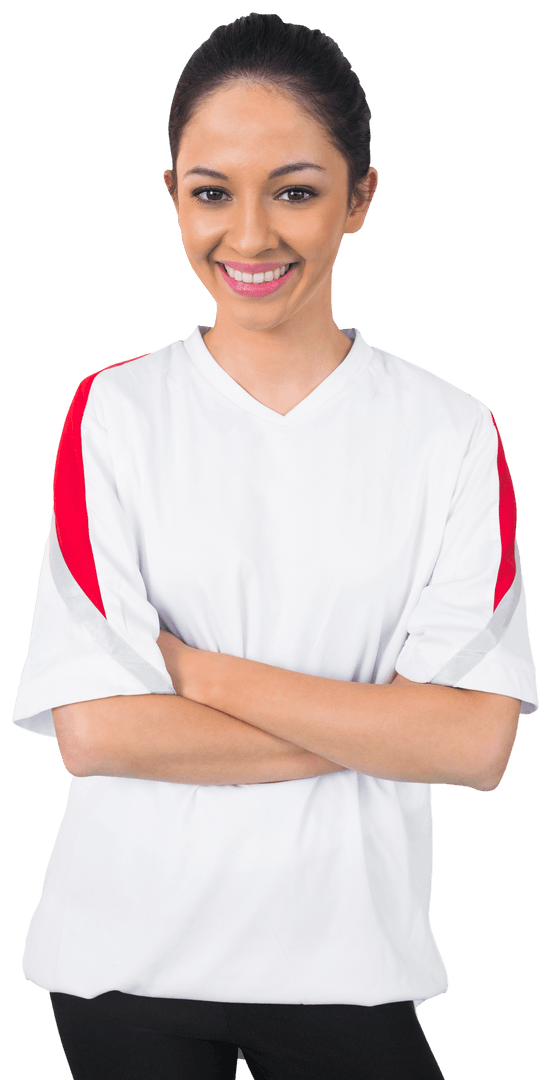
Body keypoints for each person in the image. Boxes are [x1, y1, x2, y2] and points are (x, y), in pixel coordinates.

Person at [11, 11, 539, 1080]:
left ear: (359, 198)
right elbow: (97, 736)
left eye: (293, 190)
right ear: (172, 196)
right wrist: (390, 725)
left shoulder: (449, 433)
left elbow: (475, 748)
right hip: (124, 962)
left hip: (345, 960)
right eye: (212, 192)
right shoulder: (112, 414)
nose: (247, 237)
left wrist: (190, 673)